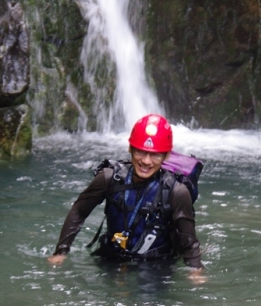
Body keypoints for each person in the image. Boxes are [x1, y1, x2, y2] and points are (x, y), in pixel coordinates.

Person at [47, 114, 204, 278]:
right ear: (130, 148)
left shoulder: (177, 192)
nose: (146, 161)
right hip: (111, 255)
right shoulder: (109, 178)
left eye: (155, 155)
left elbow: (187, 236)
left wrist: (196, 270)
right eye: (140, 152)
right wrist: (61, 252)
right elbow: (79, 211)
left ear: (166, 156)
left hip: (156, 263)